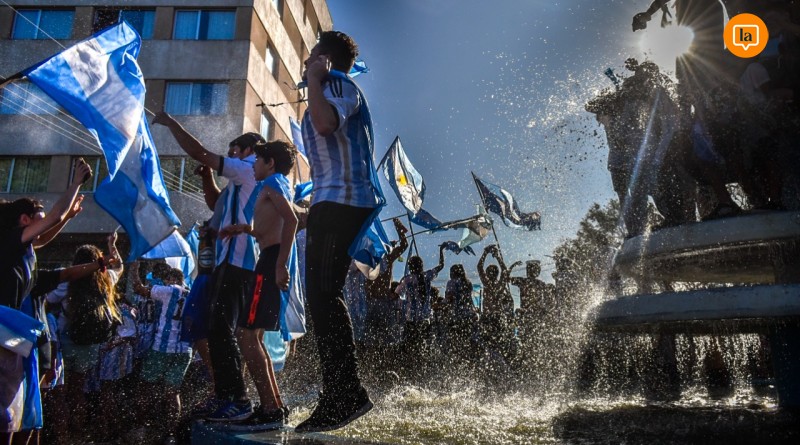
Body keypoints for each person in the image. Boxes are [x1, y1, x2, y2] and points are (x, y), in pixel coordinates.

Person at [294, 31, 385, 433]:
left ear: (325, 58)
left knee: (323, 295)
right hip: (330, 201)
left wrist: (316, 79)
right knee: (321, 296)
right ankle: (340, 392)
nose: (306, 60)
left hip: (343, 200)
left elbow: (326, 123)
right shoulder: (328, 87)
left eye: (312, 54)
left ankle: (345, 393)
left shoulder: (337, 85)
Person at [153, 111, 266, 421]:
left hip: (240, 263)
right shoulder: (238, 181)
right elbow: (217, 206)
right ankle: (225, 395)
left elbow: (200, 152)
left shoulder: (247, 168)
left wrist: (171, 122)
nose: (230, 156)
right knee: (217, 330)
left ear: (248, 150)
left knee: (222, 330)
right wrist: (207, 179)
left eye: (234, 151)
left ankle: (238, 399)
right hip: (226, 262)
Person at [217, 140, 299, 430]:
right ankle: (274, 406)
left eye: (257, 160)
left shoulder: (273, 182)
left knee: (245, 334)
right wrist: (243, 229)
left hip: (270, 261)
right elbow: (271, 225)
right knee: (254, 336)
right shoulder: (277, 184)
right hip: (268, 258)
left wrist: (280, 265)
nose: (253, 166)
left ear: (270, 163)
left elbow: (291, 221)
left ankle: (269, 409)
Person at [129, 263, 192, 443]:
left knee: (145, 387)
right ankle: (170, 435)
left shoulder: (169, 290)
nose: (164, 283)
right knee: (173, 393)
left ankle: (141, 428)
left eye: (166, 280)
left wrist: (134, 269)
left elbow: (138, 288)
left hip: (162, 348)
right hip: (184, 350)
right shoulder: (191, 293)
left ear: (171, 279)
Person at [395, 245, 447, 355]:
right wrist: (441, 250)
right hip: (425, 318)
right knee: (425, 347)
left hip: (411, 320)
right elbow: (441, 266)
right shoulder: (427, 276)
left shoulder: (406, 280)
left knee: (409, 348)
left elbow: (396, 294)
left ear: (410, 267)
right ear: (421, 266)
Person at [364, 219, 409, 346]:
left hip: (379, 302)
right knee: (378, 339)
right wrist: (400, 230)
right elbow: (404, 245)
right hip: (375, 302)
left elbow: (404, 245)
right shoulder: (382, 258)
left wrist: (400, 230)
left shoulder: (377, 258)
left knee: (377, 339)